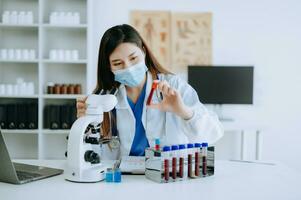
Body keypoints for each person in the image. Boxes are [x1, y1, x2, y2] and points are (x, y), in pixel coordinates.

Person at [77, 24, 223, 158]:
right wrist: (85, 124)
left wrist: (184, 111)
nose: (128, 67)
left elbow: (214, 133)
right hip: (123, 179)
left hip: (166, 176)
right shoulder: (105, 97)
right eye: (117, 63)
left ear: (144, 52)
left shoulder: (173, 85)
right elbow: (93, 154)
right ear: (109, 67)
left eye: (133, 58)